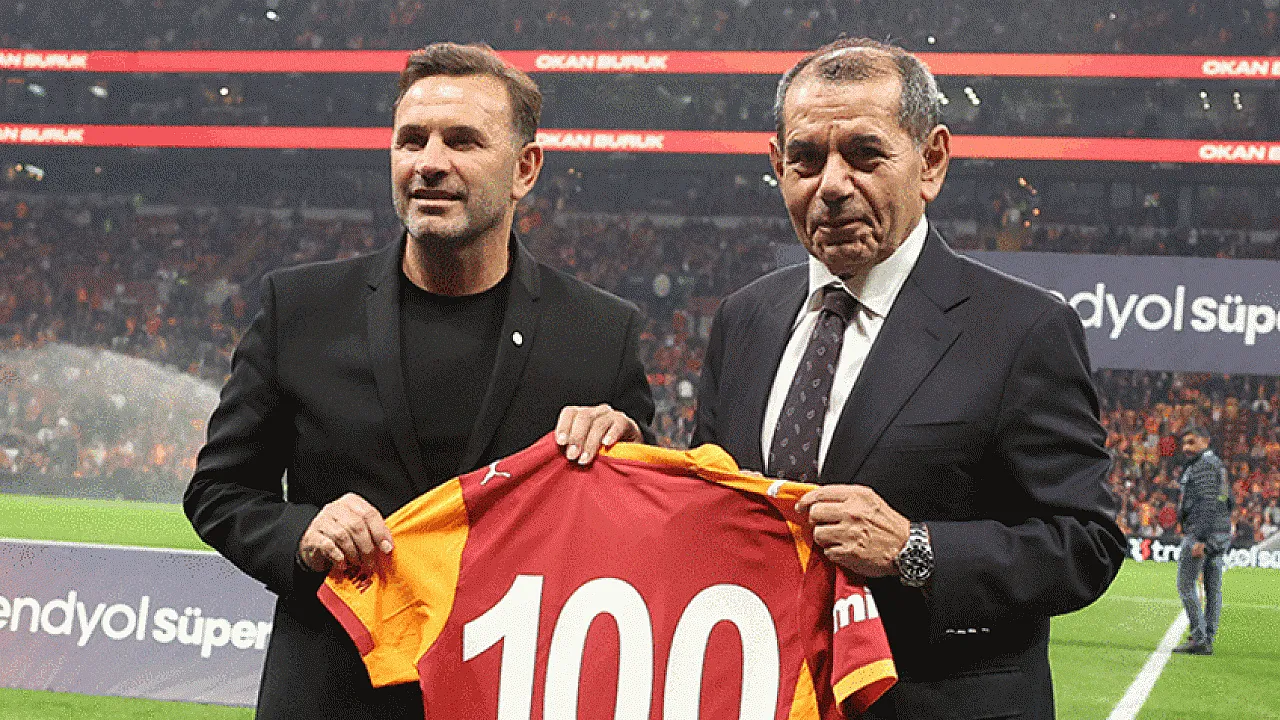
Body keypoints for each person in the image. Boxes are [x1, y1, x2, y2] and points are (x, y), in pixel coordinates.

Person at [184, 43, 654, 720]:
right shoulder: (301, 309)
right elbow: (218, 492)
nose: (429, 162)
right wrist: (302, 530)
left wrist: (628, 452)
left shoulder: (600, 333)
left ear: (525, 169)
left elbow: (640, 533)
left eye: (462, 141)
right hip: (333, 698)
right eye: (412, 140)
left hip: (511, 697)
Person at [692, 38, 1126, 719]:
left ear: (931, 162)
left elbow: (1088, 544)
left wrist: (913, 549)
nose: (832, 185)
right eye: (806, 159)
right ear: (777, 166)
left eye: (864, 155)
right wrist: (623, 453)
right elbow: (710, 506)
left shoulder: (1022, 328)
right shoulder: (744, 319)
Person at [1172, 426, 1232, 656]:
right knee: (1213, 588)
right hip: (1219, 533)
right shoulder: (1218, 465)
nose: (1186, 448)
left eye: (1191, 442)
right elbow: (1227, 501)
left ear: (1205, 441)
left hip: (1203, 535)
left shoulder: (1203, 466)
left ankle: (1199, 637)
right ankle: (1208, 637)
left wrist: (1200, 538)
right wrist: (1222, 528)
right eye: (1184, 443)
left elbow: (1208, 503)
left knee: (1186, 584)